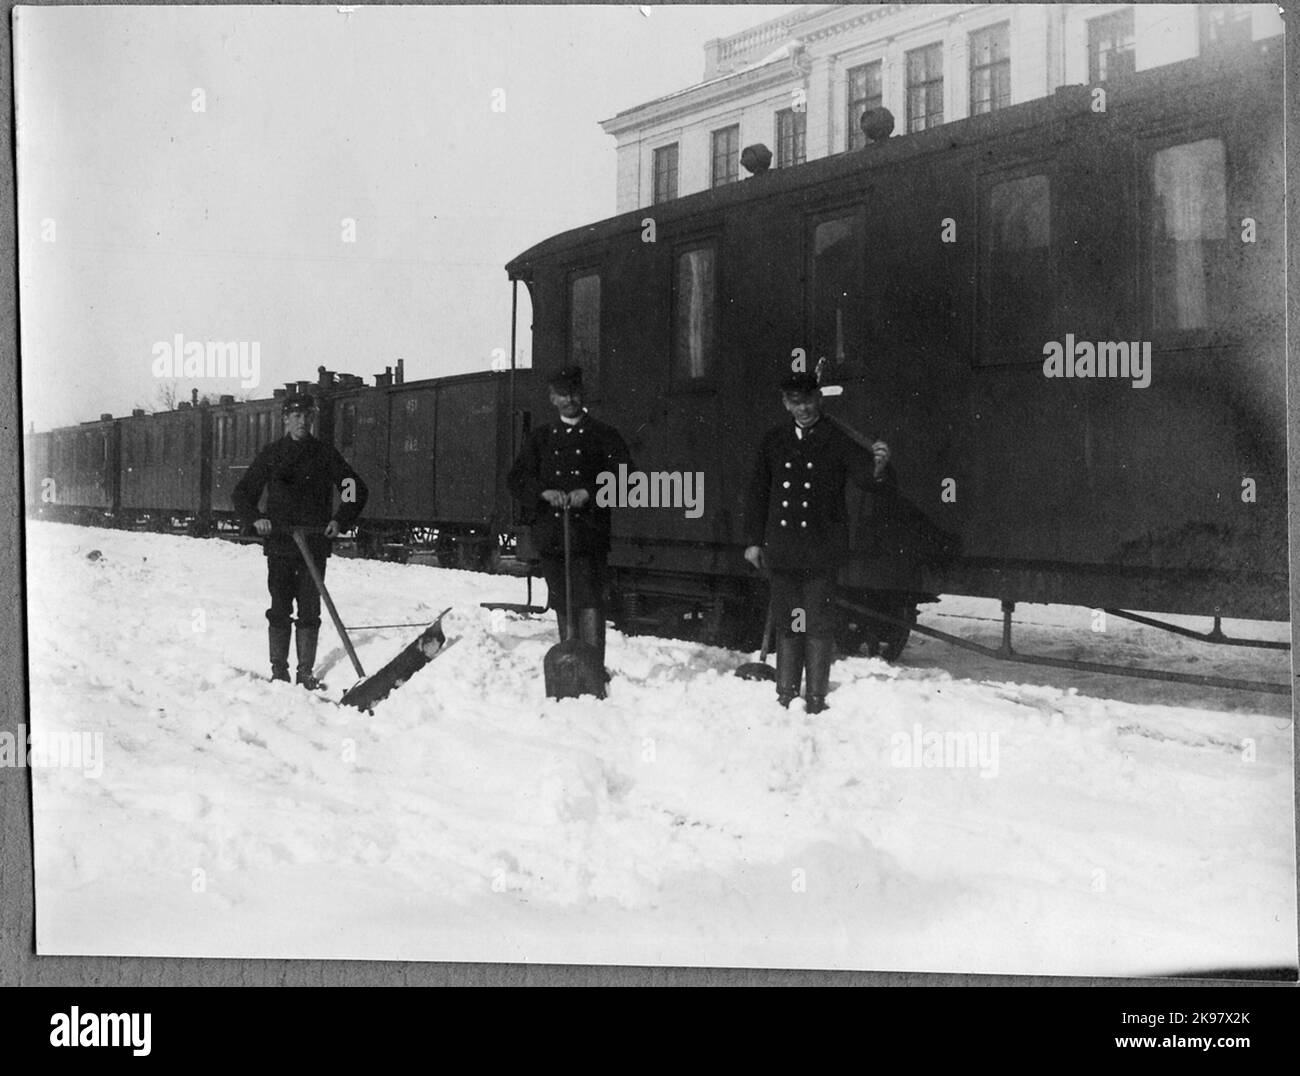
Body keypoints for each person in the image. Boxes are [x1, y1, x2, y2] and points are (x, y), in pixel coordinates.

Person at [743, 372, 893, 713]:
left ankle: (815, 696)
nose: (803, 408)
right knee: (791, 619)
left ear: (818, 399)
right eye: (795, 402)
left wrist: (879, 466)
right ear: (786, 403)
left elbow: (865, 479)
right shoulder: (774, 440)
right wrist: (753, 541)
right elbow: (758, 494)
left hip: (820, 551)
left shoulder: (836, 439)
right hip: (783, 550)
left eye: (809, 400)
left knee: (819, 622)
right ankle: (786, 692)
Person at [232, 394, 369, 687]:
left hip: (314, 544)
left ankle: (305, 673)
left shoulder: (324, 454)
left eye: (307, 416)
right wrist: (257, 518)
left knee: (310, 608)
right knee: (280, 606)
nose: (302, 422)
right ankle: (279, 671)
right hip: (280, 545)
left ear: (313, 419)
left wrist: (339, 519)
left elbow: (354, 488)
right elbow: (242, 494)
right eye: (295, 416)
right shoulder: (272, 454)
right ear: (285, 419)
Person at [507, 365, 633, 677]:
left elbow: (628, 479)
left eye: (575, 393)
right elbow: (517, 480)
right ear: (552, 398)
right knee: (562, 599)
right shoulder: (541, 438)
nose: (570, 400)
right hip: (553, 535)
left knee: (590, 597)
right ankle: (569, 665)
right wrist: (543, 492)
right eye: (563, 394)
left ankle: (591, 666)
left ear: (582, 394)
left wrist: (589, 492)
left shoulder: (604, 435)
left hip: (588, 535)